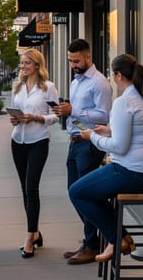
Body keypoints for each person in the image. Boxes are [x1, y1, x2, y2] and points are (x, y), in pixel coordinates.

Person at [68, 54, 143, 262]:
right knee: (92, 191)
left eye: (113, 75)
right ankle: (118, 237)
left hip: (132, 171)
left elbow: (119, 148)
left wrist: (92, 136)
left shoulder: (124, 102)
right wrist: (111, 130)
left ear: (119, 75)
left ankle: (117, 238)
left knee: (77, 192)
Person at [52, 38, 112, 265]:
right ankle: (92, 239)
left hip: (90, 143)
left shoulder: (100, 83)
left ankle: (92, 243)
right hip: (74, 141)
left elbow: (104, 115)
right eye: (70, 61)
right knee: (73, 192)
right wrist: (64, 111)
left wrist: (73, 110)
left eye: (76, 61)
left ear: (88, 57)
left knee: (83, 193)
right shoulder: (76, 82)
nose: (73, 65)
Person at [9, 48, 60, 258]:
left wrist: (37, 118)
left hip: (38, 141)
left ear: (37, 65)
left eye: (27, 63)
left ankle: (29, 237)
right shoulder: (17, 86)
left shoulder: (48, 88)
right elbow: (15, 110)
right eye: (22, 63)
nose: (23, 67)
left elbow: (56, 116)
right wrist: (15, 118)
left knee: (32, 188)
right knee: (24, 189)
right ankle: (36, 232)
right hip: (17, 141)